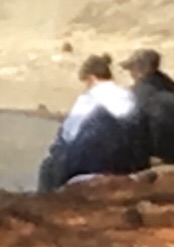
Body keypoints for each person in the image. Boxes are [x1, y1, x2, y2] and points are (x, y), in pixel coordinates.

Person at [38, 54, 150, 193]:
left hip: (92, 164)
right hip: (128, 163)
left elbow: (69, 134)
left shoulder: (90, 99)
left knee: (48, 168)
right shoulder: (129, 96)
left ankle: (45, 200)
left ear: (91, 78)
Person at [121, 48, 174, 167]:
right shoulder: (172, 87)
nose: (131, 74)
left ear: (140, 70)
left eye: (132, 69)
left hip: (152, 160)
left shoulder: (139, 93)